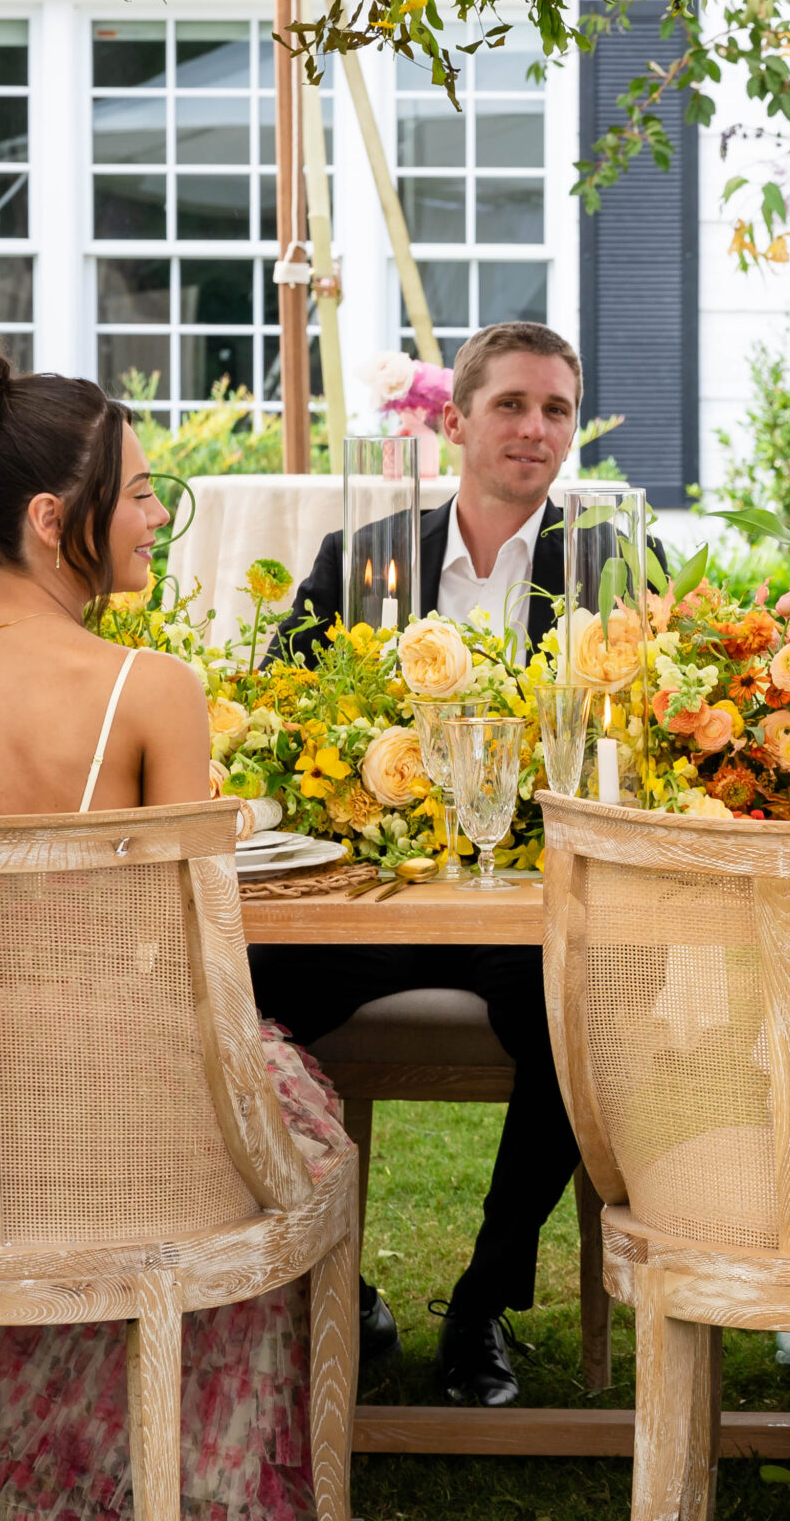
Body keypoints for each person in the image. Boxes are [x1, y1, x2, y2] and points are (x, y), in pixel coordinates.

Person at [0, 334, 352, 1521]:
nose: (161, 513)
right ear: (59, 513)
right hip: (109, 1120)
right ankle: (169, 1486)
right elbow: (194, 964)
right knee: (302, 1124)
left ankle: (3, 1465)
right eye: (144, 489)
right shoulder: (149, 689)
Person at [253, 321, 590, 1406]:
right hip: (377, 896)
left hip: (523, 907)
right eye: (511, 406)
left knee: (575, 1017)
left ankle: (482, 1301)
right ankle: (325, 1281)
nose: (535, 431)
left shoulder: (610, 563)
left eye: (556, 411)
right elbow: (276, 719)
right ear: (454, 421)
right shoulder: (359, 562)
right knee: (239, 995)